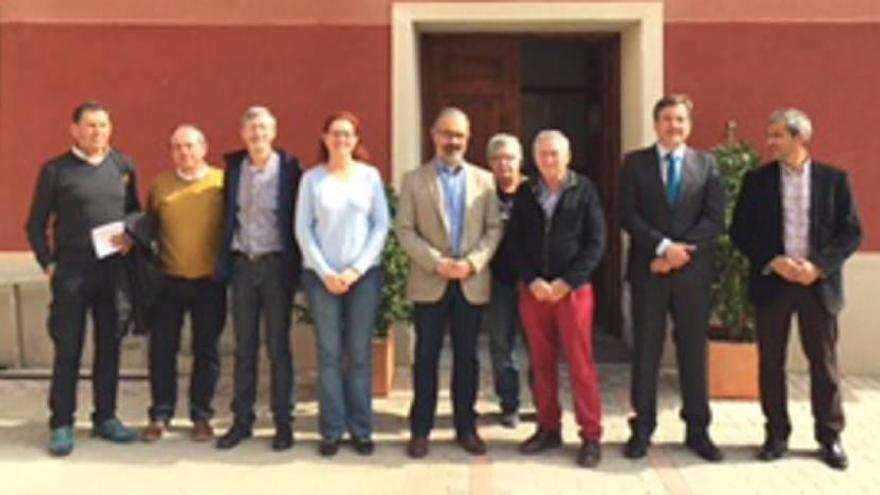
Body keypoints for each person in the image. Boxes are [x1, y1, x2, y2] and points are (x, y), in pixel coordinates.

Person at [730, 108, 862, 470]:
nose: (770, 142)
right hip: (774, 283)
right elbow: (740, 231)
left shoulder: (834, 180)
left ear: (799, 138)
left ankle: (830, 437)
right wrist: (774, 260)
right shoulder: (757, 181)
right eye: (770, 135)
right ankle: (776, 434)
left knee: (824, 363)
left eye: (778, 136)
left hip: (817, 285)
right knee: (771, 363)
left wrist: (819, 265)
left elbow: (851, 232)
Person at [25, 101, 141, 456]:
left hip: (111, 271)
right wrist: (48, 263)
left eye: (103, 125)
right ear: (74, 130)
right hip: (71, 273)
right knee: (68, 348)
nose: (97, 132)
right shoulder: (56, 170)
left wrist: (131, 237)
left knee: (110, 347)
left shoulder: (122, 165)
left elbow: (134, 211)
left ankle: (106, 417)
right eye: (90, 125)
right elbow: (34, 225)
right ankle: (61, 423)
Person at [619, 95, 725, 462]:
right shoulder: (635, 164)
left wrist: (679, 254)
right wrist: (662, 247)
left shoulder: (706, 165)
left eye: (680, 120)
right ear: (656, 124)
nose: (673, 126)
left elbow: (714, 219)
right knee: (646, 351)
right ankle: (642, 428)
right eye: (666, 119)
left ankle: (698, 429)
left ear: (689, 126)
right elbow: (627, 213)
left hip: (692, 276)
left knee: (694, 353)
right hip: (649, 272)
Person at [396, 107, 502, 459]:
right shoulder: (413, 180)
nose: (453, 141)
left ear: (467, 138)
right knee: (425, 357)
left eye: (459, 135)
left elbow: (493, 229)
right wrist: (436, 262)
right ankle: (421, 429)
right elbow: (405, 230)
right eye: (446, 134)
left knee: (468, 358)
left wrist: (472, 263)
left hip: (470, 282)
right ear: (434, 135)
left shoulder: (484, 181)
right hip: (430, 280)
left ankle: (465, 427)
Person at [507, 129, 606, 468]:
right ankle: (548, 427)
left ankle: (591, 435)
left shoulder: (585, 190)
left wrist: (568, 280)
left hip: (573, 292)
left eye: (555, 154)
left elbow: (596, 242)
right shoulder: (526, 192)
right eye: (543, 154)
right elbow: (514, 242)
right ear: (535, 159)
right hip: (534, 292)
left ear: (568, 156)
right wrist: (531, 279)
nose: (549, 160)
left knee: (580, 364)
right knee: (541, 363)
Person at [295, 111, 390, 457]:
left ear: (356, 139)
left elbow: (381, 225)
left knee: (361, 355)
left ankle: (362, 429)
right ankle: (332, 430)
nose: (342, 140)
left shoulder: (369, 177)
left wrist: (357, 269)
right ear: (324, 138)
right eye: (335, 133)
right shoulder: (312, 180)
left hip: (363, 277)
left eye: (348, 134)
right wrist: (325, 272)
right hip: (322, 279)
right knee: (330, 355)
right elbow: (303, 229)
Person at [214, 106, 302, 451]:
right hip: (242, 265)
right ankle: (242, 421)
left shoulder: (291, 169)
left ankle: (284, 422)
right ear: (242, 133)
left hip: (275, 266)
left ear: (274, 131)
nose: (257, 135)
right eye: (251, 129)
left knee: (279, 347)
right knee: (244, 347)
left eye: (263, 128)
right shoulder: (235, 168)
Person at [141, 125, 226, 443]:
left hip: (209, 282)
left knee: (207, 352)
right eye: (176, 147)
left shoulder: (221, 182)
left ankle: (201, 416)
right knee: (162, 350)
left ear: (203, 147)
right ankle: (160, 414)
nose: (183, 152)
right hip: (168, 281)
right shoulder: (160, 185)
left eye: (189, 146)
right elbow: (148, 228)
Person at [484, 133, 528, 428]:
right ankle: (509, 403)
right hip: (497, 281)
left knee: (540, 346)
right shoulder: (482, 193)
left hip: (532, 281)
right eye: (497, 159)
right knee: (501, 344)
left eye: (509, 158)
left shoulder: (534, 191)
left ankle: (544, 403)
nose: (504, 164)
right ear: (490, 164)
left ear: (520, 161)